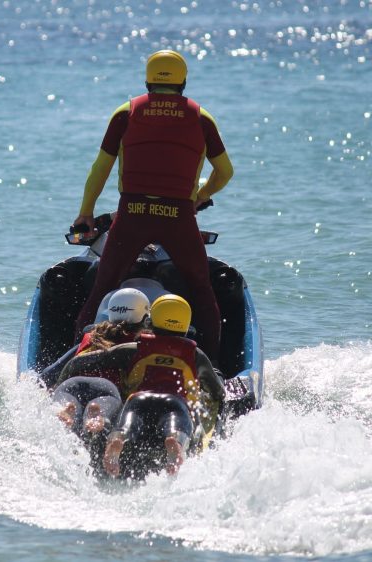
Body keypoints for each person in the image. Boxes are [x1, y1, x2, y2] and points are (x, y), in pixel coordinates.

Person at [72, 49, 234, 361]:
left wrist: (86, 213)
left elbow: (100, 168)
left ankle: (78, 359)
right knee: (202, 290)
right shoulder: (202, 117)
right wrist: (199, 197)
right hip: (178, 217)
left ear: (148, 81)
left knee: (101, 288)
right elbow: (225, 172)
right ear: (183, 81)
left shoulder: (126, 112)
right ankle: (213, 366)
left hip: (132, 215)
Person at [63, 293, 225, 478]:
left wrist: (66, 374)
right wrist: (218, 382)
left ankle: (118, 440)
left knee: (126, 425)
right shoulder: (196, 355)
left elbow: (87, 361)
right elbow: (216, 391)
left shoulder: (135, 348)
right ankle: (175, 442)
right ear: (187, 326)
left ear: (150, 321)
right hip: (175, 402)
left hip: (137, 400)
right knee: (177, 425)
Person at [52, 288, 150, 444]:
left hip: (70, 384)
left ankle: (68, 409)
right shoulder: (140, 344)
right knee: (100, 414)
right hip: (106, 388)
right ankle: (98, 413)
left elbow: (54, 369)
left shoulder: (92, 335)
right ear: (145, 318)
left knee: (67, 404)